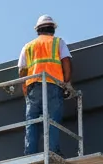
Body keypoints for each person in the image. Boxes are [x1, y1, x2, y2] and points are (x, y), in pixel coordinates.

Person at [19, 15, 74, 155]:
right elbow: (66, 61)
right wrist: (67, 82)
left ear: (38, 30)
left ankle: (30, 152)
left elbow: (22, 70)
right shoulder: (58, 42)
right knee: (52, 119)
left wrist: (25, 88)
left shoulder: (28, 46)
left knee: (32, 120)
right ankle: (52, 150)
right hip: (53, 84)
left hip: (33, 86)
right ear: (53, 29)